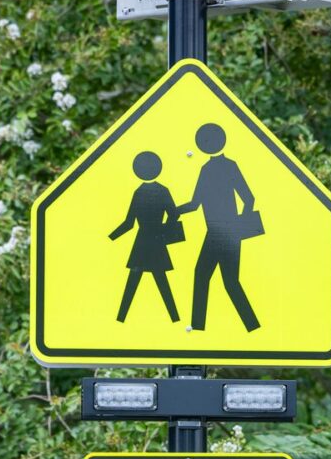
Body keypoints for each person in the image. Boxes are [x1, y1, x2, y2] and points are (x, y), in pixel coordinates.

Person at [177, 123, 260, 332]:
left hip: (218, 233)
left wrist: (173, 211)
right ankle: (251, 326)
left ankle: (198, 327)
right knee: (227, 281)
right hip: (227, 233)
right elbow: (248, 199)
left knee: (205, 276)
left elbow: (195, 204)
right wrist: (241, 224)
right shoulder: (227, 166)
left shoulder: (208, 169)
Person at [109, 151, 181, 323]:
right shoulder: (163, 191)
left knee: (134, 281)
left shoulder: (139, 192)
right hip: (157, 240)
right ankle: (175, 319)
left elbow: (129, 223)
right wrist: (164, 229)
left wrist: (111, 237)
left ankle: (121, 319)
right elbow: (174, 214)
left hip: (142, 242)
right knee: (161, 281)